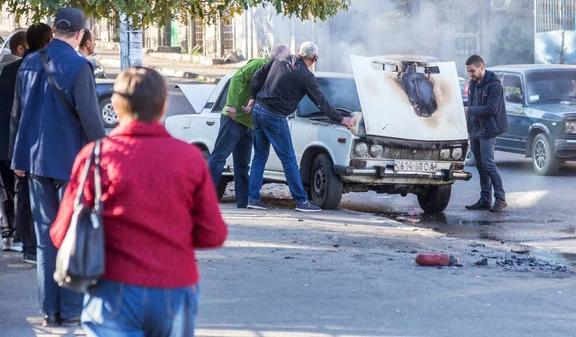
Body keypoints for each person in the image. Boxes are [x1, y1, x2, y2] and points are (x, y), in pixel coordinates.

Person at [50, 67, 228, 336]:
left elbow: (60, 233)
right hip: (175, 284)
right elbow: (213, 234)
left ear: (115, 106)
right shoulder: (190, 158)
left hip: (111, 287)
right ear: (164, 105)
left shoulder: (95, 157)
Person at [10, 8, 105, 327]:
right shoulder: (80, 66)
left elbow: (18, 114)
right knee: (72, 234)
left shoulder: (29, 62)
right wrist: (103, 156)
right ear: (80, 34)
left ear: (53, 29)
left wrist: (17, 157)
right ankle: (72, 309)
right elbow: (91, 119)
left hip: (35, 162)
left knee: (45, 236)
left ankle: (50, 311)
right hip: (70, 164)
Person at [244, 41, 355, 212]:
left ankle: (253, 198)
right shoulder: (306, 76)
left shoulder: (281, 59)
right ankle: (302, 201)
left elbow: (258, 75)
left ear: (298, 52)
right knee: (288, 159)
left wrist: (253, 96)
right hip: (275, 116)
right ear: (314, 58)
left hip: (259, 110)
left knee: (259, 156)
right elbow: (320, 101)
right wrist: (341, 119)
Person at [208, 44, 290, 208]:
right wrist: (231, 104)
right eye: (286, 59)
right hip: (233, 118)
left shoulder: (277, 74)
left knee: (243, 165)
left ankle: (243, 201)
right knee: (219, 158)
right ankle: (203, 197)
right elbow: (237, 78)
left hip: (249, 124)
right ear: (276, 57)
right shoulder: (258, 64)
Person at [1, 23, 52, 263]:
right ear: (48, 43)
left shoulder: (10, 69)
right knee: (37, 194)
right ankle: (35, 245)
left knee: (17, 194)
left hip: (10, 143)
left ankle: (23, 243)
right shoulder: (47, 68)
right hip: (37, 145)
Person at [463, 55, 508, 212]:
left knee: (488, 164)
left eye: (472, 71)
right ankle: (485, 200)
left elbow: (491, 109)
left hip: (488, 130)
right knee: (481, 166)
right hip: (475, 130)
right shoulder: (474, 84)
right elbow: (471, 104)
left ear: (481, 66)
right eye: (468, 71)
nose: (471, 74)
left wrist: (469, 110)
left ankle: (500, 199)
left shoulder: (494, 85)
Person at [0, 30, 27, 250]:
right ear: (20, 49)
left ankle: (7, 233)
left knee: (4, 188)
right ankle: (18, 235)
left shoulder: (5, 68)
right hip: (13, 140)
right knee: (18, 187)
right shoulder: (19, 70)